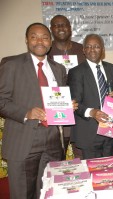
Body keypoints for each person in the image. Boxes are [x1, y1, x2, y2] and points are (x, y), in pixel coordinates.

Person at [0, 23, 67, 199]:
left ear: (50, 42)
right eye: (34, 36)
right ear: (26, 40)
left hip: (52, 140)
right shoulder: (11, 64)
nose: (40, 41)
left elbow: (59, 99)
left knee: (48, 191)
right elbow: (1, 101)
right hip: (23, 139)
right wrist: (26, 112)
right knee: (23, 194)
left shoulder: (58, 69)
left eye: (45, 37)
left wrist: (69, 105)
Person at [67, 34, 113, 159]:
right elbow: (75, 103)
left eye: (96, 46)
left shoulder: (112, 69)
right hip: (89, 131)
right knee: (92, 172)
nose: (92, 49)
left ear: (102, 49)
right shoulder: (76, 72)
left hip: (111, 130)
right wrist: (92, 112)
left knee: (112, 170)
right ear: (84, 50)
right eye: (88, 47)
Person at [48, 15, 85, 158]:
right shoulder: (46, 51)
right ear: (51, 29)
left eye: (64, 25)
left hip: (80, 111)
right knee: (57, 156)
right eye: (56, 25)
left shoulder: (81, 49)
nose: (61, 28)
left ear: (70, 28)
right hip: (58, 110)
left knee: (81, 155)